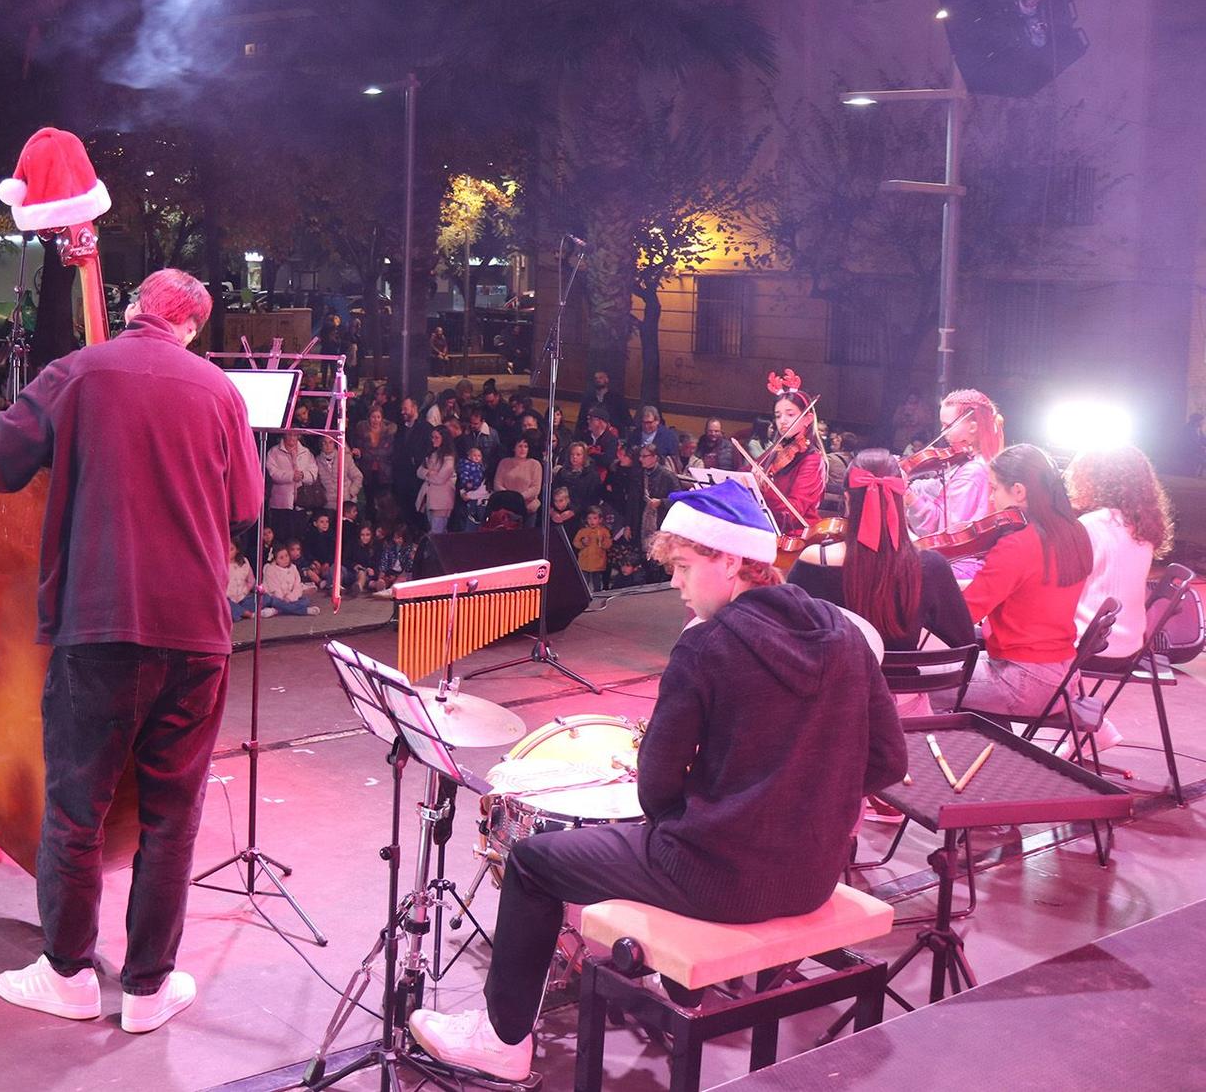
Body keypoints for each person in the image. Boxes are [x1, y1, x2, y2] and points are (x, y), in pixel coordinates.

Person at [408, 481, 906, 1081]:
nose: (675, 582)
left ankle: (503, 1040)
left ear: (730, 561)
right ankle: (676, 989)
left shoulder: (707, 645)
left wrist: (698, 818)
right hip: (813, 877)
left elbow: (657, 787)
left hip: (718, 879)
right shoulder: (846, 634)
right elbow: (887, 764)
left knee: (533, 862)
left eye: (684, 566)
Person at [0, 261, 260, 1035]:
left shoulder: (79, 372)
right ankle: (147, 990)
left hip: (96, 629)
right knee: (171, 818)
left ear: (131, 309)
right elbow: (246, 504)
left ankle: (66, 974)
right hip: (196, 635)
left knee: (75, 809)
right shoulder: (222, 391)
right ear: (193, 326)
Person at [937, 444, 1093, 724]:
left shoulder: (1019, 544)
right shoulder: (1074, 530)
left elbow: (964, 616)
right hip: (1062, 676)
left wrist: (925, 599)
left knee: (910, 683)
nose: (991, 497)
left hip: (1023, 681)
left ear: (1019, 491)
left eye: (995, 488)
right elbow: (1030, 589)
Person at [788, 450, 973, 662]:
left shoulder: (814, 559)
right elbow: (963, 642)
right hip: (902, 693)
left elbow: (789, 635)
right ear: (900, 498)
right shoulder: (930, 565)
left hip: (836, 691)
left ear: (848, 499)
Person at [1064, 446, 1174, 748]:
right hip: (1130, 646)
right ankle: (1097, 728)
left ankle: (1095, 729)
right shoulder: (1142, 528)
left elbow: (1067, 587)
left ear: (1093, 478)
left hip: (1092, 647)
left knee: (1024, 643)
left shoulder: (1092, 525)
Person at [905, 388, 1004, 580]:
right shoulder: (970, 461)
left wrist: (908, 496)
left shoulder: (973, 472)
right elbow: (933, 488)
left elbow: (942, 531)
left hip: (960, 564)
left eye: (947, 425)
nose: (942, 432)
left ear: (973, 427)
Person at [758, 373, 825, 534]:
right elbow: (745, 474)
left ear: (807, 419)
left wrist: (766, 488)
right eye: (778, 415)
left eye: (790, 414)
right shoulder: (776, 449)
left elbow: (793, 512)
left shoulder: (812, 459)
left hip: (795, 536)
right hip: (769, 529)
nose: (782, 420)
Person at [266, 433, 320, 546]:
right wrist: (291, 476)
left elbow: (314, 472)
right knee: (281, 536)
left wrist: (303, 475)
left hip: (301, 503)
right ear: (284, 436)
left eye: (295, 435)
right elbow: (272, 472)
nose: (292, 438)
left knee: (299, 537)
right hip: (280, 504)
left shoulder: (306, 452)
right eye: (289, 435)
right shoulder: (274, 452)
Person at [415, 433, 457, 534]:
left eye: (436, 437)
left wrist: (427, 474)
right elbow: (419, 471)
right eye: (432, 437)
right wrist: (429, 473)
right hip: (429, 498)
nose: (433, 440)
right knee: (433, 530)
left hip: (441, 500)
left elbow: (440, 479)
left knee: (437, 532)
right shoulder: (431, 454)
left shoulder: (449, 458)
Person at [493, 435, 544, 516]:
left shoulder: (535, 464)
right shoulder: (504, 462)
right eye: (520, 446)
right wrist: (509, 498)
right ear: (514, 448)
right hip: (505, 507)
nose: (523, 449)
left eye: (525, 446)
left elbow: (535, 488)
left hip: (528, 508)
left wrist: (518, 498)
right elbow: (497, 484)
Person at [575, 506, 614, 591]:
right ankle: (584, 594)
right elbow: (575, 543)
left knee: (597, 582)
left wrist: (603, 542)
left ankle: (597, 595)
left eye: (595, 518)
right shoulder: (582, 531)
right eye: (589, 518)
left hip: (598, 563)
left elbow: (608, 545)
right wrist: (583, 543)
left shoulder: (604, 531)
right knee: (584, 582)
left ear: (600, 519)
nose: (592, 521)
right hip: (585, 562)